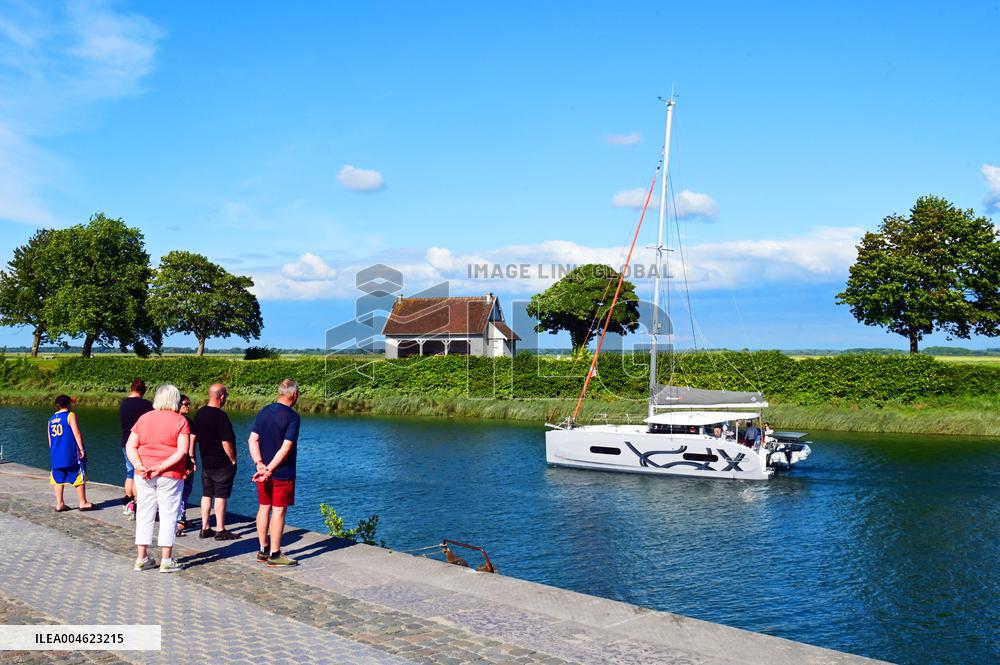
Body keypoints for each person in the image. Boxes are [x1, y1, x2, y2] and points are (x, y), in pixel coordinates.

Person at [125, 384, 189, 573]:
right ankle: (166, 560)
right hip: (170, 473)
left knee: (145, 512)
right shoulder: (180, 421)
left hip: (143, 473)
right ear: (175, 400)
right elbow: (182, 451)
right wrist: (161, 467)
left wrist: (138, 465)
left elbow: (131, 446)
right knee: (169, 514)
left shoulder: (144, 418)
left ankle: (141, 557)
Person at [249, 379, 300, 567]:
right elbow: (285, 448)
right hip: (282, 472)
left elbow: (252, 440)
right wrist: (269, 469)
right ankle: (275, 553)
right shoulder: (293, 417)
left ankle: (262, 549)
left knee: (264, 507)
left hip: (262, 473)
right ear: (294, 395)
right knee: (278, 511)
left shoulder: (264, 411)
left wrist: (259, 465)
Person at [194, 384, 239, 541]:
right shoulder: (221, 416)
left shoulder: (199, 413)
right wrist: (232, 459)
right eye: (225, 395)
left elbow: (193, 437)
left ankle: (205, 527)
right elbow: (226, 441)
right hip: (222, 463)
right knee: (221, 494)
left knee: (206, 494)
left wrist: (192, 456)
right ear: (221, 397)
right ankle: (220, 530)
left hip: (206, 461)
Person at [48, 395, 93, 512]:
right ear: (68, 404)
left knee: (58, 478)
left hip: (56, 455)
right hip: (70, 453)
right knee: (78, 475)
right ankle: (83, 502)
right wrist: (82, 449)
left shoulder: (51, 419)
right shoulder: (70, 415)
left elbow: (49, 440)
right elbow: (76, 432)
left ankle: (60, 504)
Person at [119, 379, 153, 519]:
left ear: (131, 388)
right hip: (139, 443)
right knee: (138, 473)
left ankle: (128, 499)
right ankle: (138, 503)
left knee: (129, 472)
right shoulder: (146, 405)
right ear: (143, 390)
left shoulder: (124, 403)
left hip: (125, 441)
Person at [175, 395, 196, 536]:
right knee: (184, 491)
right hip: (184, 461)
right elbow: (191, 444)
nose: (188, 406)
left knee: (177, 491)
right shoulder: (187, 422)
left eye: (189, 404)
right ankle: (180, 521)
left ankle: (179, 518)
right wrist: (192, 460)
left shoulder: (169, 421)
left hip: (172, 461)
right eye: (185, 404)